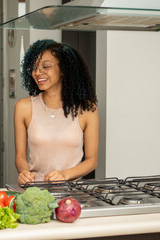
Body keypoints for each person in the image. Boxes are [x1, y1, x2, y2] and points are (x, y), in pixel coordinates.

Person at [14, 39, 98, 184]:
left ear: (64, 69)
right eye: (33, 68)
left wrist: (64, 175)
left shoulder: (87, 109)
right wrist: (24, 172)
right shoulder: (23, 107)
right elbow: (20, 157)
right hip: (36, 191)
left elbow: (91, 161)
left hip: (73, 193)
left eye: (45, 66)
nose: (37, 73)